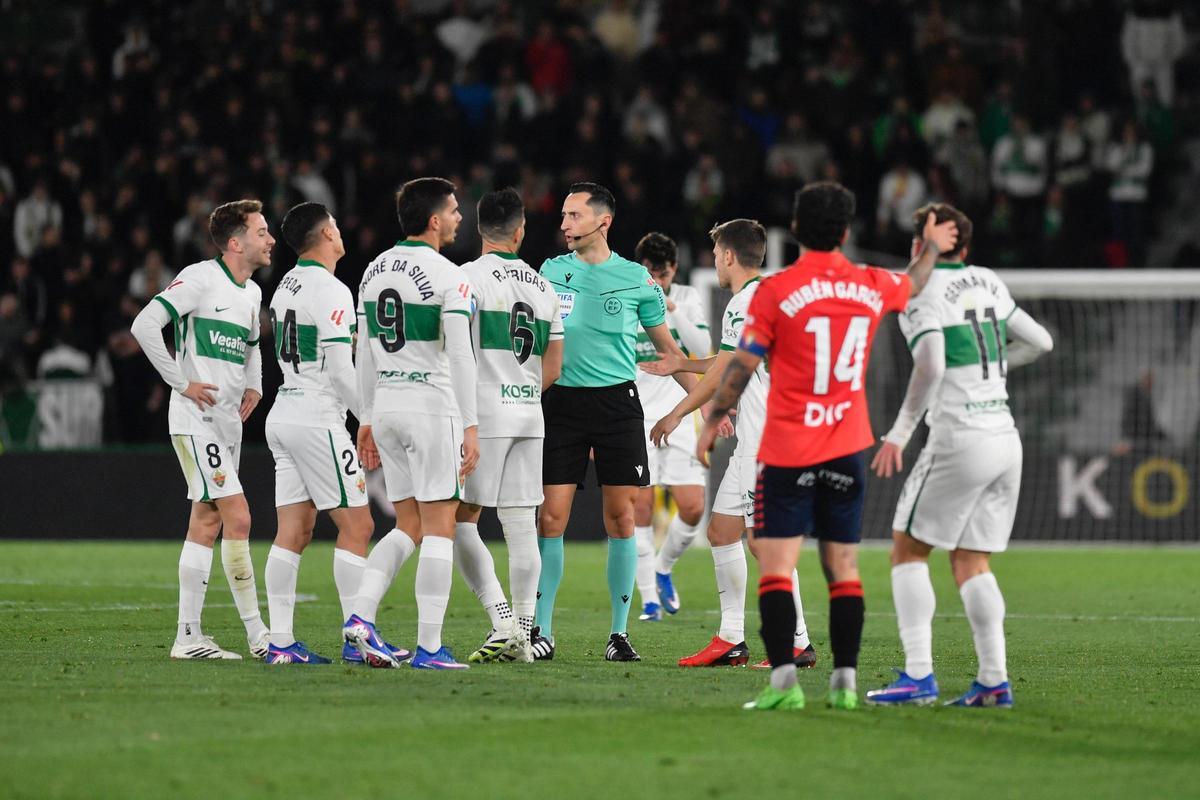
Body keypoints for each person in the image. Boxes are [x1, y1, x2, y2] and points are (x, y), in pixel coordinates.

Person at [697, 182, 958, 711]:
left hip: (786, 446)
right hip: (845, 444)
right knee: (843, 568)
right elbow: (913, 283)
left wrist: (711, 420)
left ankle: (785, 687)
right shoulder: (868, 283)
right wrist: (930, 244)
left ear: (794, 229)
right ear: (845, 231)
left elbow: (741, 365)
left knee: (775, 562)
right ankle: (844, 685)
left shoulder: (773, 292)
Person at [865, 203, 1053, 708]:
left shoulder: (920, 291)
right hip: (1004, 436)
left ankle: (918, 675)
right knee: (971, 562)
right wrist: (995, 371)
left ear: (917, 246)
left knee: (907, 551)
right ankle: (994, 680)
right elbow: (1042, 341)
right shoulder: (988, 280)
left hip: (960, 436)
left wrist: (900, 432)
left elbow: (930, 362)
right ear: (966, 247)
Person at [644, 219, 815, 669]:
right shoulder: (770, 294)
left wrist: (680, 412)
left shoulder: (742, 303)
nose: (713, 260)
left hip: (766, 443)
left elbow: (723, 372)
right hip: (756, 441)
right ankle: (731, 639)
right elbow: (727, 361)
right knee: (722, 531)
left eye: (716, 252)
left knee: (763, 542)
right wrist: (683, 363)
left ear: (727, 256)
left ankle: (798, 643)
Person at [534, 181, 693, 662]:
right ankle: (541, 630)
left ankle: (619, 634)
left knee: (622, 518)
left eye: (574, 216)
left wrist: (703, 404)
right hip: (562, 404)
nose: (564, 224)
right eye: (563, 216)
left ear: (603, 222)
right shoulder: (551, 271)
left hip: (618, 407)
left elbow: (670, 353)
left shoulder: (636, 279)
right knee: (551, 517)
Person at [260, 201, 406, 666]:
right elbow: (342, 368)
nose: (342, 232)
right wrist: (366, 416)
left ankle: (280, 641)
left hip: (284, 411)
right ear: (325, 235)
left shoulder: (286, 284)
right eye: (337, 226)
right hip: (317, 416)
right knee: (358, 525)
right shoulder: (332, 290)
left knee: (294, 531)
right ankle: (357, 638)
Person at [342, 177, 479, 670]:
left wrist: (367, 417)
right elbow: (461, 355)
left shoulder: (373, 270)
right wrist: (470, 424)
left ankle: (359, 617)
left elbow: (364, 350)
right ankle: (429, 648)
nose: (460, 217)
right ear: (435, 219)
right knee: (441, 527)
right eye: (455, 209)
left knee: (408, 525)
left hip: (390, 408)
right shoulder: (450, 276)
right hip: (431, 405)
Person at [129, 199, 273, 660]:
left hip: (228, 423)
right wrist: (182, 382)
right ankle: (258, 635)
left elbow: (252, 346)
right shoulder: (199, 277)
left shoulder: (250, 293)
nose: (269, 240)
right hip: (195, 422)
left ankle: (188, 637)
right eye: (261, 232)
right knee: (239, 516)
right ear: (236, 242)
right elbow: (145, 324)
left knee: (206, 522)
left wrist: (255, 383)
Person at [453, 188, 563, 663]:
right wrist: (523, 392)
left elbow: (454, 351)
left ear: (480, 229)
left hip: (485, 415)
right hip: (529, 413)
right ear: (520, 231)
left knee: (459, 520)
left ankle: (501, 621)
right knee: (521, 524)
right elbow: (554, 367)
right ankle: (523, 632)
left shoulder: (467, 278)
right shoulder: (542, 286)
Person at [629, 232, 710, 623]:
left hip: (680, 411)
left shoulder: (689, 298)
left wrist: (670, 307)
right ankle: (648, 601)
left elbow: (703, 343)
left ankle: (663, 568)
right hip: (636, 415)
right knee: (639, 507)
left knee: (693, 507)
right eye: (649, 273)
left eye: (661, 274)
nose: (656, 281)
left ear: (673, 270)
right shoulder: (627, 300)